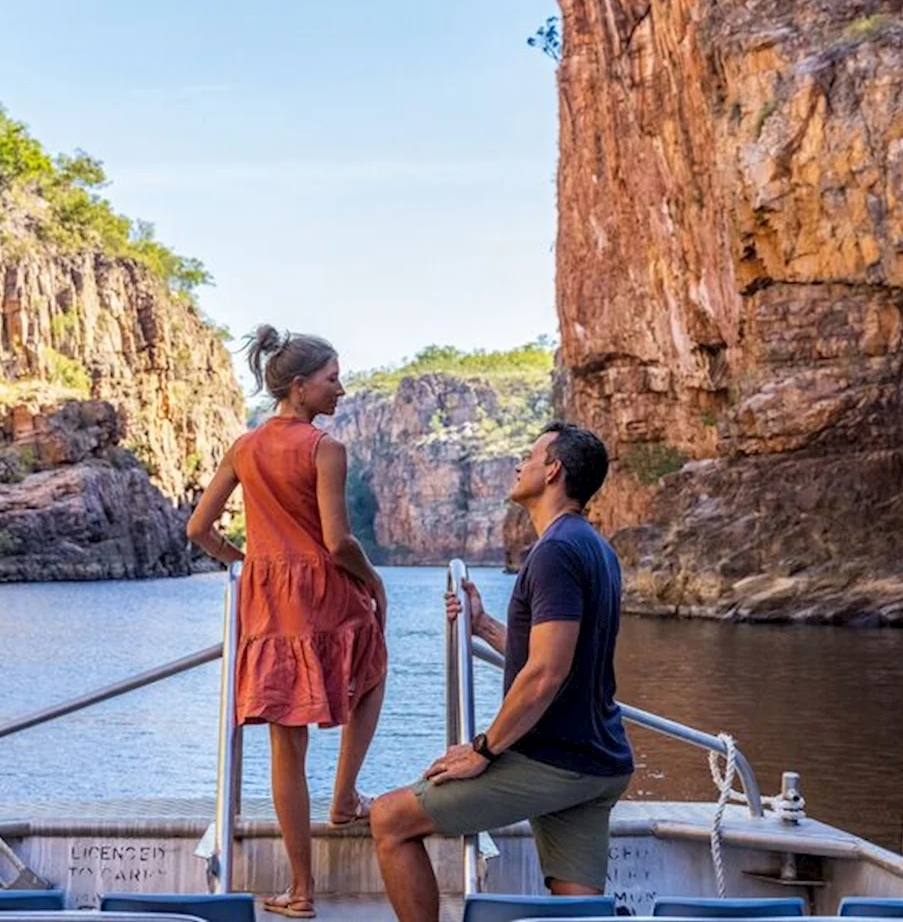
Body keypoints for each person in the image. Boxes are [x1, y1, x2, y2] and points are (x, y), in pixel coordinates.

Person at [370, 422, 633, 922]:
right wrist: (484, 624)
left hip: (553, 761)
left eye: (530, 456)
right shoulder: (596, 548)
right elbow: (556, 653)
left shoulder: (554, 552)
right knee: (580, 906)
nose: (518, 465)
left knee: (389, 819)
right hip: (599, 762)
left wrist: (483, 750)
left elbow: (546, 672)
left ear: (552, 471)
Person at [187, 325, 388, 920]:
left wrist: (248, 565)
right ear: (300, 387)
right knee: (372, 670)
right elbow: (339, 541)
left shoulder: (243, 447)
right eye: (332, 380)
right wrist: (374, 581)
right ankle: (344, 797)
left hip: (268, 601)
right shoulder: (325, 449)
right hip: (325, 593)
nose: (341, 389)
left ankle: (301, 891)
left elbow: (198, 529)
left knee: (285, 744)